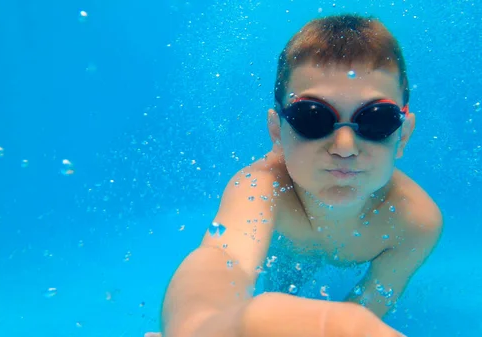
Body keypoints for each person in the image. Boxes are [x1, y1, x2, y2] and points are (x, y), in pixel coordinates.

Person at [152, 13, 443, 337]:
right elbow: (221, 259)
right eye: (312, 118)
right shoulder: (262, 187)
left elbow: (366, 309)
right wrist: (198, 324)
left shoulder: (414, 222)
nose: (345, 147)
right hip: (286, 253)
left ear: (402, 136)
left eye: (377, 120)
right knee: (282, 283)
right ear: (277, 132)